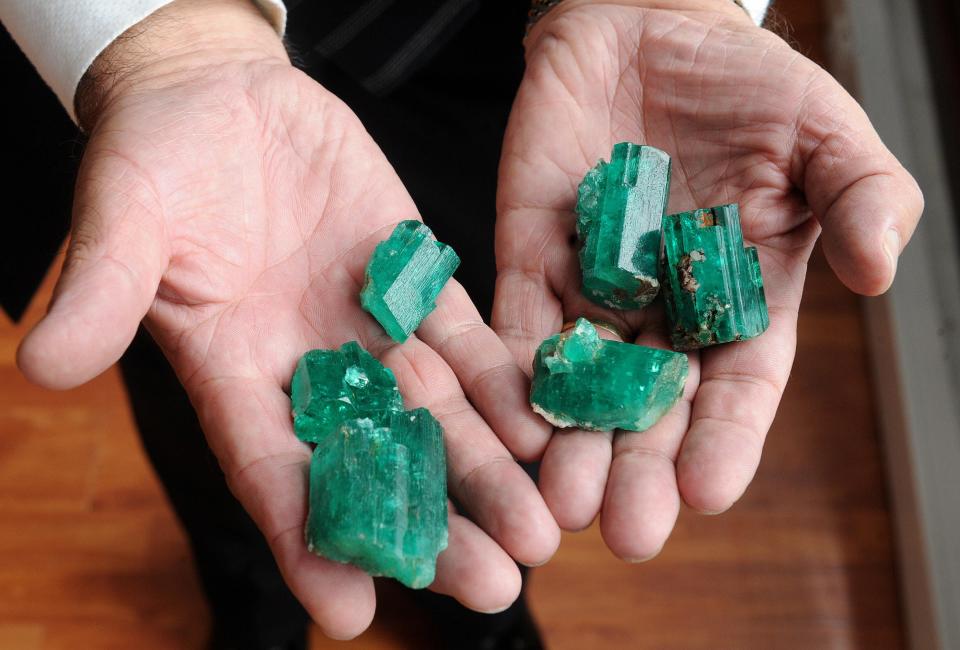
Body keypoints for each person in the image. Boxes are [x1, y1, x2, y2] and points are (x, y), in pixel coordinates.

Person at [0, 0, 923, 648]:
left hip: (505, 60)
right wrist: (162, 42)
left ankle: (481, 620)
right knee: (209, 374)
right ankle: (256, 613)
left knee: (488, 374)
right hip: (202, 120)